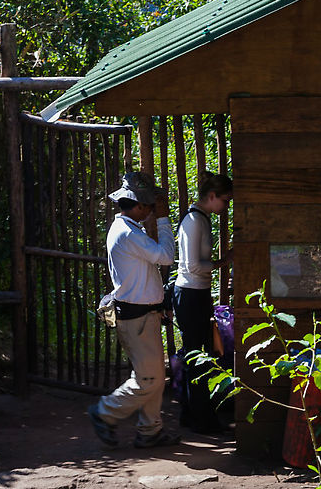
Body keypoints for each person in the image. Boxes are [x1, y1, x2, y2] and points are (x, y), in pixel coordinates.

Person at [87, 171, 179, 449]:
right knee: (148, 377)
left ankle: (150, 431)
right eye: (150, 206)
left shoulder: (128, 230)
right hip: (136, 318)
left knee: (152, 375)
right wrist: (163, 220)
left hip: (143, 315)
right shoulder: (128, 233)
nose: (152, 211)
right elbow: (166, 256)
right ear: (139, 206)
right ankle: (105, 412)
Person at [173, 171, 233, 434]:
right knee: (199, 358)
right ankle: (202, 420)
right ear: (212, 196)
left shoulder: (200, 218)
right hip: (190, 295)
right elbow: (193, 266)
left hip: (195, 294)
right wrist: (224, 261)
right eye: (226, 200)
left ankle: (191, 414)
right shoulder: (195, 221)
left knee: (197, 356)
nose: (227, 205)